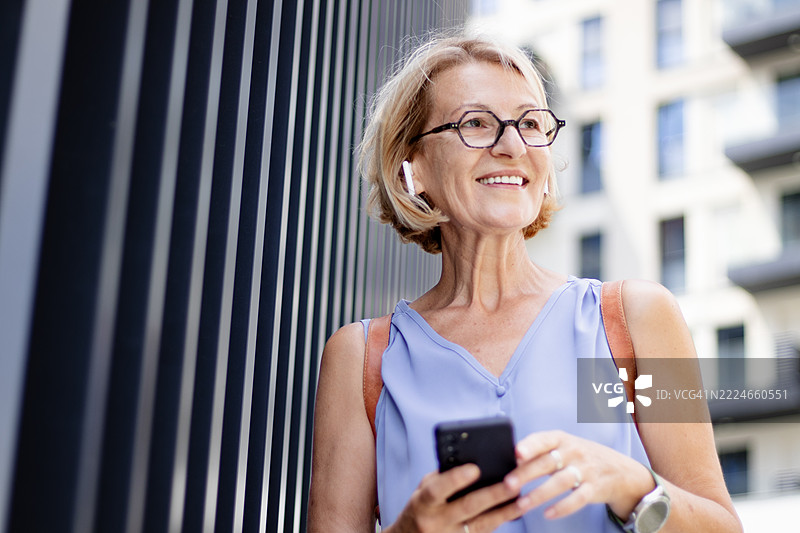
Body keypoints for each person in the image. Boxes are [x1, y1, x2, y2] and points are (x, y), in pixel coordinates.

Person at [308, 35, 742, 533]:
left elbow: (722, 526)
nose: (512, 146)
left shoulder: (636, 319)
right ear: (414, 166)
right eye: (475, 123)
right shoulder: (363, 359)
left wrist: (634, 486)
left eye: (530, 124)